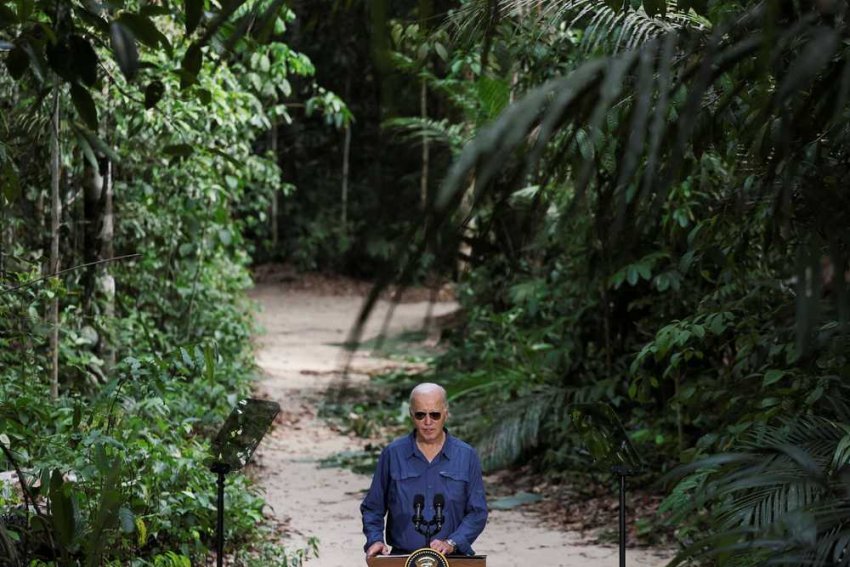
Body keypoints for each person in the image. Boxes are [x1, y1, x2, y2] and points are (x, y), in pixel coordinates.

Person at [360, 383, 488, 558]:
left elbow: (477, 512)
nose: (428, 422)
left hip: (452, 558)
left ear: (446, 414)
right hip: (402, 558)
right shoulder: (392, 454)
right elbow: (373, 507)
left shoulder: (466, 456)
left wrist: (453, 542)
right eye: (421, 415)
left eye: (435, 415)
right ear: (412, 415)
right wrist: (375, 540)